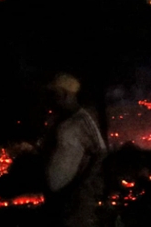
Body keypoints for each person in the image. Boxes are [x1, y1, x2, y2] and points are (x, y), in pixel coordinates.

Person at [43, 73, 108, 227]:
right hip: (56, 195)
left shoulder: (82, 120)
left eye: (54, 93)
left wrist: (81, 184)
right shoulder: (59, 120)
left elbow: (100, 152)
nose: (51, 98)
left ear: (65, 94)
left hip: (73, 197)